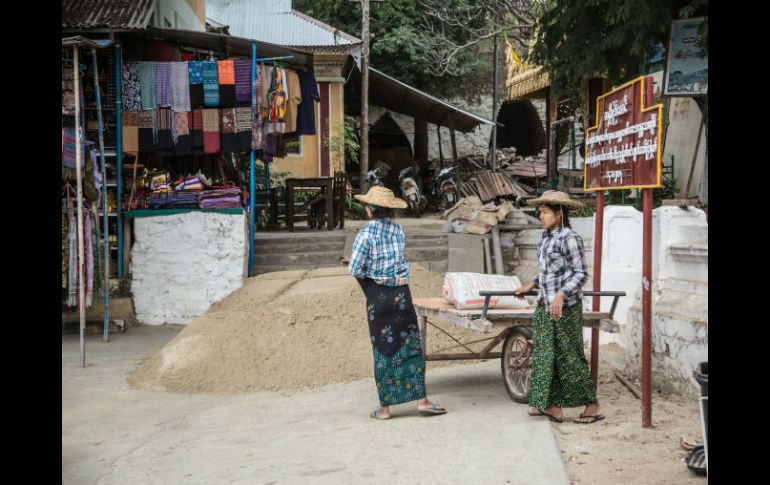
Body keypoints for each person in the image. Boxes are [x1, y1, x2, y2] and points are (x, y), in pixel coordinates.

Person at [341, 186, 447, 420]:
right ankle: (422, 400)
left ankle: (385, 409)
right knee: (410, 345)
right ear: (390, 210)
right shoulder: (399, 230)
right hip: (401, 295)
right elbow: (391, 260)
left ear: (370, 210)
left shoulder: (365, 234)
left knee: (383, 348)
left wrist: (363, 268)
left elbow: (356, 269)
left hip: (378, 298)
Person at [513, 191, 605, 424]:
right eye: (540, 211)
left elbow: (581, 273)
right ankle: (548, 405)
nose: (540, 216)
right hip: (544, 305)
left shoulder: (570, 238)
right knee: (544, 355)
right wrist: (532, 284)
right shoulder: (544, 238)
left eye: (545, 212)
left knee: (570, 355)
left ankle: (591, 405)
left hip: (566, 308)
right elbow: (548, 271)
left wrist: (561, 295)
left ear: (559, 213)